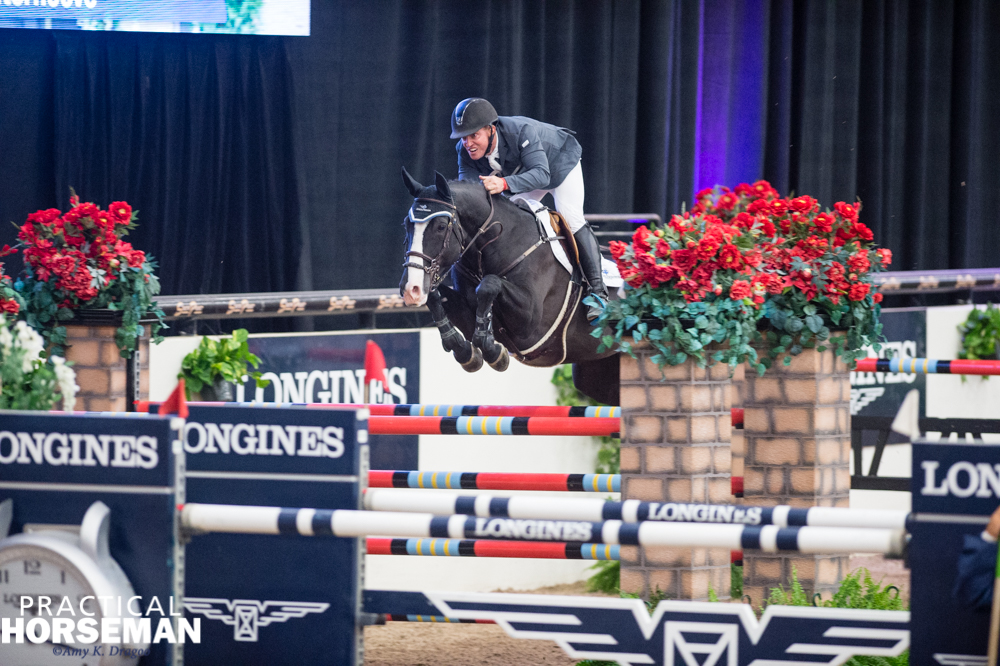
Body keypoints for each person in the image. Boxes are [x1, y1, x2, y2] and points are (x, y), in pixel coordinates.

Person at [450, 97, 608, 321]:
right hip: (525, 174)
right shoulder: (464, 150)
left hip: (559, 165)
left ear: (490, 129)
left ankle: (598, 293)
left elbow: (542, 175)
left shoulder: (520, 131)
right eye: (463, 137)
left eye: (474, 135)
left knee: (571, 218)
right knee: (509, 217)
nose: (468, 143)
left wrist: (504, 184)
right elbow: (472, 191)